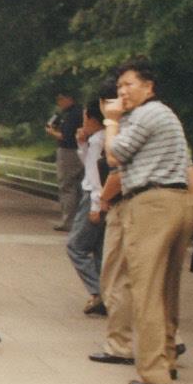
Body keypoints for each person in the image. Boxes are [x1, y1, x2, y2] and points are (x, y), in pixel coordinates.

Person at [90, 59, 193, 384]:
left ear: (149, 87)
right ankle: (166, 358)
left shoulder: (143, 115)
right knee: (168, 289)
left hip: (151, 205)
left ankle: (153, 374)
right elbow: (186, 164)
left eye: (129, 85)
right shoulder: (167, 114)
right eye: (119, 86)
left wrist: (111, 122)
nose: (122, 92)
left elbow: (115, 156)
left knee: (146, 290)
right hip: (178, 202)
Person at [66, 97, 109, 316]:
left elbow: (93, 174)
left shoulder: (98, 140)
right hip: (103, 197)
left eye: (85, 117)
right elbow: (90, 164)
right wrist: (82, 143)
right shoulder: (100, 138)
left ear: (93, 118)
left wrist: (95, 205)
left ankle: (98, 292)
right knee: (100, 248)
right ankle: (106, 294)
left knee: (76, 246)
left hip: (93, 195)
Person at [46, 89, 83, 231]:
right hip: (80, 152)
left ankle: (68, 221)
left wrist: (52, 132)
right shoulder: (79, 112)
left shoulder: (71, 115)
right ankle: (79, 220)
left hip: (68, 152)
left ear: (69, 98)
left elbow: (65, 136)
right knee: (79, 186)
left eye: (61, 99)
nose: (59, 103)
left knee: (67, 186)